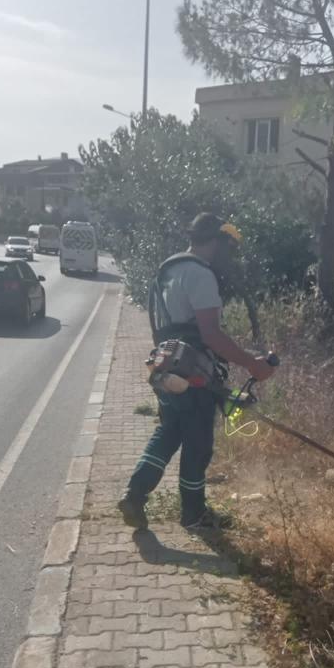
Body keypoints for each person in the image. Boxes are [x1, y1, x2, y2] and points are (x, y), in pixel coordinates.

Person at [117, 213, 275, 530]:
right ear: (215, 242)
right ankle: (194, 514)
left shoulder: (167, 271)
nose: (228, 255)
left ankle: (134, 496)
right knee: (198, 444)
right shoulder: (200, 275)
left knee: (168, 433)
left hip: (166, 368)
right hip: (194, 375)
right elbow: (211, 335)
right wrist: (252, 363)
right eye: (227, 247)